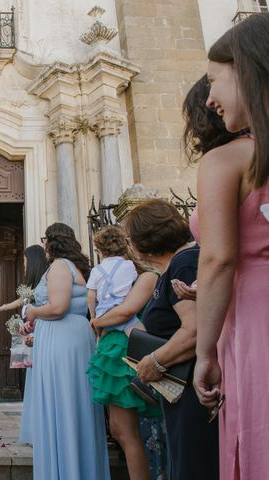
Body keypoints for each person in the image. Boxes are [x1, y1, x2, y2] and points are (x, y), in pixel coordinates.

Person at [192, 14, 269, 480]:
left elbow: (219, 259)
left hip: (255, 321)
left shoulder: (228, 159)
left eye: (213, 81)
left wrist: (206, 353)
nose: (209, 99)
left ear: (246, 69)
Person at [124, 199, 218, 480]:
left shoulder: (183, 263)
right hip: (182, 387)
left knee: (195, 465)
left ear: (144, 240)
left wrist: (154, 360)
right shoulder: (173, 267)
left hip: (192, 387)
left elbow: (196, 329)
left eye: (130, 238)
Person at [23, 223, 110, 480]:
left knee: (61, 403)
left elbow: (58, 307)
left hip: (61, 338)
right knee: (72, 404)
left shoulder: (60, 266)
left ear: (52, 241)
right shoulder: (76, 267)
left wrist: (33, 312)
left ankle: (65, 472)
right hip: (70, 337)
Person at [86, 225, 152, 480]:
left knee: (125, 430)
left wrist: (95, 320)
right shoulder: (129, 269)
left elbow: (94, 298)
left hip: (114, 337)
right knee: (118, 429)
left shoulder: (103, 270)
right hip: (117, 334)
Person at [0, 244, 48, 444]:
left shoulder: (45, 284)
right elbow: (20, 302)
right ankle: (35, 428)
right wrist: (4, 308)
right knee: (32, 382)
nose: (23, 266)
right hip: (30, 338)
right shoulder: (32, 287)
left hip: (40, 338)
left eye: (25, 262)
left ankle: (41, 428)